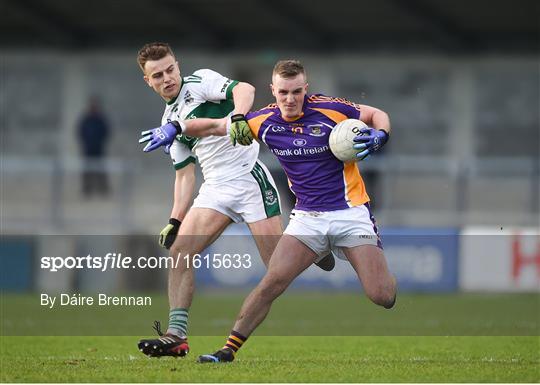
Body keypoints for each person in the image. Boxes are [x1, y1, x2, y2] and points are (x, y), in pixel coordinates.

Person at [141, 59, 397, 363]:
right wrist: (176, 127)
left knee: (382, 296)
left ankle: (350, 257)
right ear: (273, 91)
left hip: (349, 212)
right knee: (271, 281)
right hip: (306, 218)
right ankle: (225, 350)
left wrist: (381, 134)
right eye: (283, 92)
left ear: (306, 89)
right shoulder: (263, 121)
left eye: (296, 92)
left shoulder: (331, 108)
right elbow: (210, 127)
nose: (290, 99)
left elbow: (376, 114)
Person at [77, 97, 110, 197]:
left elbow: (106, 131)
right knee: (87, 170)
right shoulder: (86, 119)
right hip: (88, 149)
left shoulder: (100, 119)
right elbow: (80, 131)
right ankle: (87, 189)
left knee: (101, 170)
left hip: (98, 148)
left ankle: (102, 189)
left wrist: (99, 141)